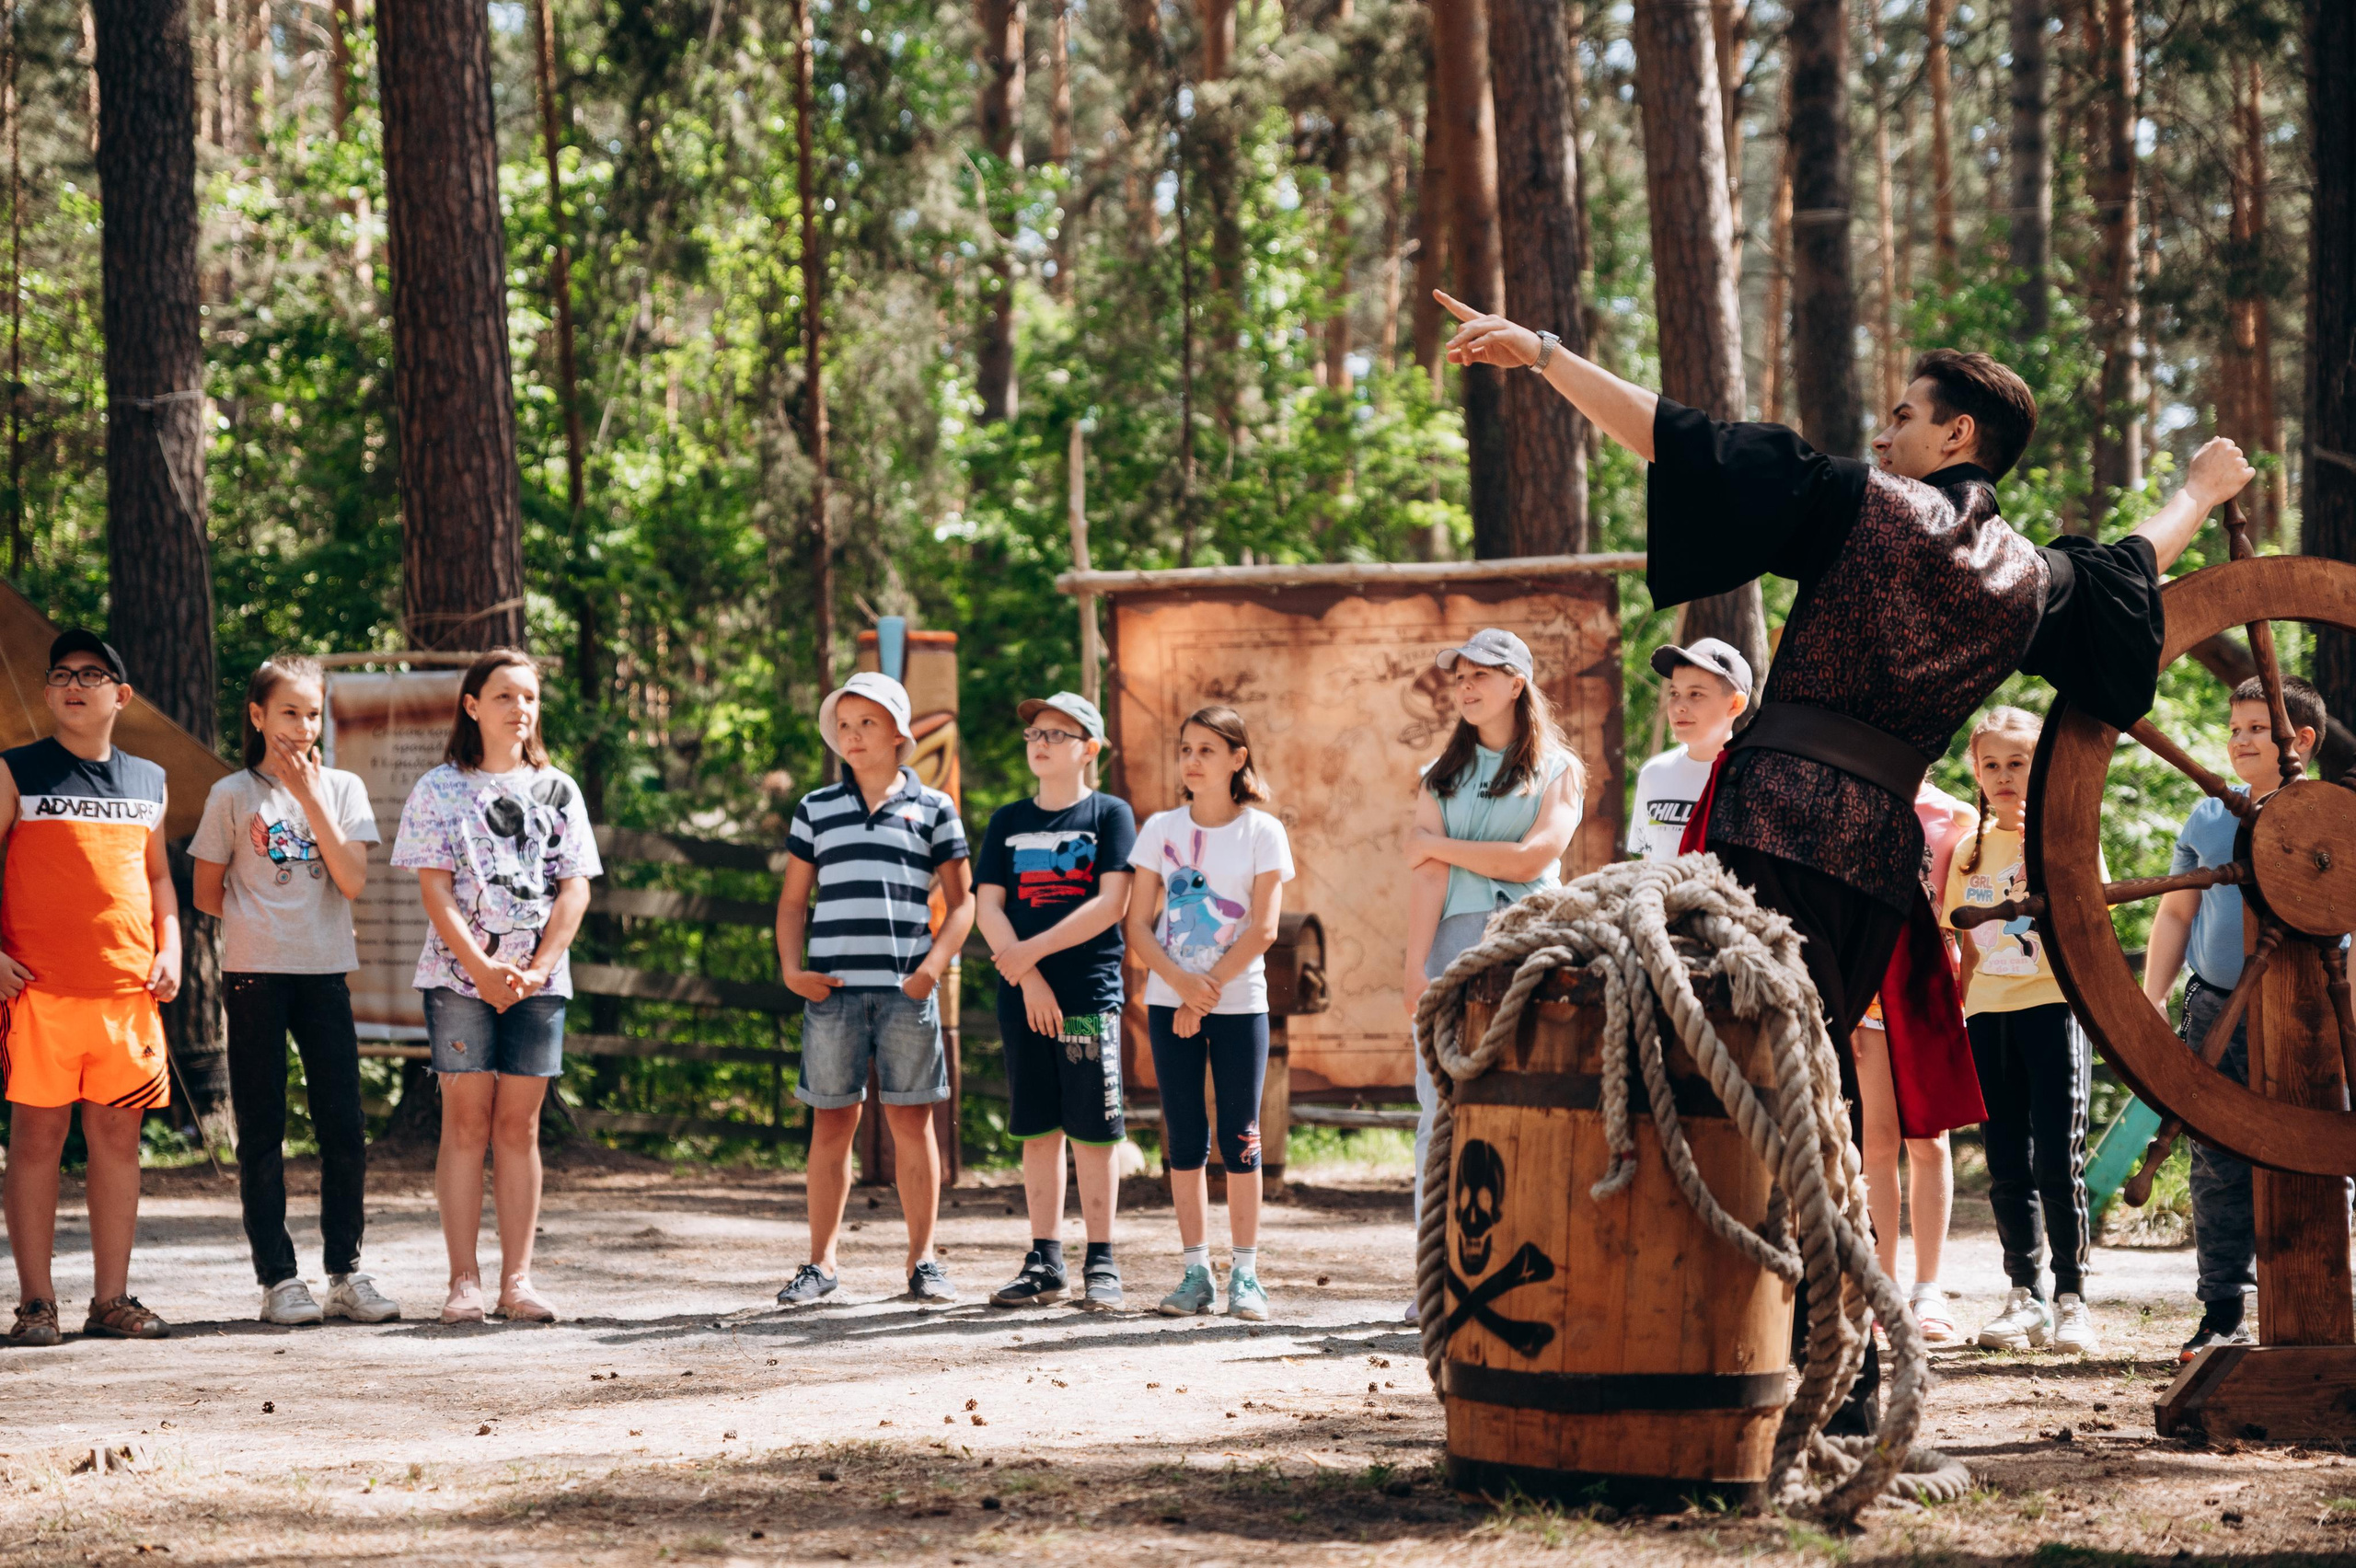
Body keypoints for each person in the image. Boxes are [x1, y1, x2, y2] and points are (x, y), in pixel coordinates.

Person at [1438, 288, 2256, 1428]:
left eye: (1905, 413)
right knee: (1799, 1087)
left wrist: (1546, 357)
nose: (1885, 431)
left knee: (1743, 1083)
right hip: (1875, 859)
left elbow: (1684, 441)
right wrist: (2198, 493)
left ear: (1957, 436)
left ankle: (1812, 1361)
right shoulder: (2029, 580)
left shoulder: (1862, 504)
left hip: (1773, 822)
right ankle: (1814, 1352)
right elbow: (2128, 574)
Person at [391, 650, 600, 1325]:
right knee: (465, 1124)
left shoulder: (559, 790)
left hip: (541, 983)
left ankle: (518, 1282)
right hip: (458, 982)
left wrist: (538, 967)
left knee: (520, 1127)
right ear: (473, 705)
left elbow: (575, 888)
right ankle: (464, 1283)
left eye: (530, 697)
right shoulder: (437, 789)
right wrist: (480, 970)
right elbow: (434, 888)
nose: (520, 709)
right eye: (505, 696)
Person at [191, 654, 400, 1326]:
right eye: (289, 712)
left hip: (325, 972)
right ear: (257, 715)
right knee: (263, 1125)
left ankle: (345, 1271)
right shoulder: (230, 795)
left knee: (344, 1122)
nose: (303, 726)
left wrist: (309, 798)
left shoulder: (342, 789)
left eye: (313, 713)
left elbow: (352, 880)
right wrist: (266, 926)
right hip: (254, 974)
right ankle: (278, 1279)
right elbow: (205, 892)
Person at [1, 631, 180, 1346]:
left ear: (121, 695)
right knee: (38, 1137)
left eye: (93, 674)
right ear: (47, 693)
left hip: (127, 998)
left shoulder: (150, 781)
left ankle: (111, 1300)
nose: (76, 684)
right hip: (37, 995)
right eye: (62, 675)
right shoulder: (16, 771)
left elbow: (160, 881)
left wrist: (170, 948)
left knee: (116, 1137)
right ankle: (35, 1305)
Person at [2142, 674, 2327, 1362]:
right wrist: (2153, 995)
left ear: (2298, 740)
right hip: (2218, 1008)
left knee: (2321, 1154)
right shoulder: (2210, 817)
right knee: (2216, 1158)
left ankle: (2325, 1304)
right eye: (2235, 728)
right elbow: (2176, 910)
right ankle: (2222, 1311)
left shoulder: (2331, 816)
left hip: (2312, 1018)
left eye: (2256, 728)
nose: (2240, 739)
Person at [775, 671, 975, 1307]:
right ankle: (821, 1264)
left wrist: (932, 969)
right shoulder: (815, 808)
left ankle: (923, 1262)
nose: (853, 736)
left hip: (906, 994)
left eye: (867, 724)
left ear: (899, 734)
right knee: (830, 1126)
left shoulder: (935, 808)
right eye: (844, 726)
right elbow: (791, 903)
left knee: (913, 1126)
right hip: (830, 994)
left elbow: (963, 902)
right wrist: (790, 968)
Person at [1403, 628, 1585, 1241]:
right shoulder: (1437, 775)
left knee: (1529, 1103)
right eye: (1458, 677)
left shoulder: (1559, 771)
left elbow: (1531, 861)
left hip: (1533, 949)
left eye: (1480, 674)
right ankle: (1436, 1269)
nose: (1465, 686)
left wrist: (1440, 845)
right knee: (1441, 1109)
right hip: (1450, 948)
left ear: (1517, 683)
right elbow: (1426, 879)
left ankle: (1523, 1256)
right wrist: (1413, 968)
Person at [1126, 706, 1293, 1321]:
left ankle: (1246, 1275)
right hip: (1171, 1001)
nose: (1191, 761)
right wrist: (1179, 985)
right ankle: (1196, 1271)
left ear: (1237, 759)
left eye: (1206, 750)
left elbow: (1264, 927)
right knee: (1186, 1137)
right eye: (1185, 749)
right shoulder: (1159, 829)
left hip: (1237, 1003)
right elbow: (1137, 925)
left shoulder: (1262, 833)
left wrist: (1207, 991)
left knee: (1241, 1137)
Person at [974, 692, 1137, 1312]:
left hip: (1087, 995)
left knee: (1095, 1130)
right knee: (1037, 1126)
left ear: (1088, 750)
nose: (1039, 743)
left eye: (1056, 734)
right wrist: (1027, 976)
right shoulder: (1007, 820)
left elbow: (1110, 904)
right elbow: (988, 905)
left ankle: (1102, 1261)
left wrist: (1031, 954)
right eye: (1033, 734)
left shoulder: (1109, 814)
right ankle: (1045, 1260)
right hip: (1024, 996)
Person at [1945, 707, 2097, 1355]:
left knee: (2056, 1161)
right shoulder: (1967, 850)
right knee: (2006, 1164)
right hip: (1987, 1016)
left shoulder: (2065, 835)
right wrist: (1964, 1007)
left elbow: (2091, 921)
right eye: (1992, 765)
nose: (2004, 776)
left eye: (2018, 763)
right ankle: (2024, 1295)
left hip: (2053, 1007)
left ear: (2041, 769)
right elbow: (1962, 941)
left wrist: (2046, 860)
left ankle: (2072, 1298)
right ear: (1976, 774)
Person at [1854, 778, 1977, 1347]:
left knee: (1929, 1142)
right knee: (1876, 1142)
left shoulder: (1956, 817)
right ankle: (1883, 1289)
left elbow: (1969, 912)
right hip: (1868, 990)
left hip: (1930, 987)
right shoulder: (1852, 800)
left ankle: (1930, 1289)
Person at [1629, 638, 1750, 862]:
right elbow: (1647, 864)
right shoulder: (1653, 773)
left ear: (1735, 704)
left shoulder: (1752, 778)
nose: (1679, 706)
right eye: (1674, 693)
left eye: (1696, 694)